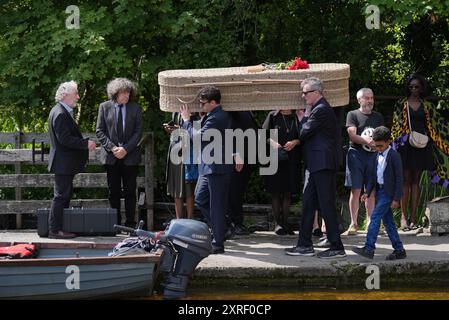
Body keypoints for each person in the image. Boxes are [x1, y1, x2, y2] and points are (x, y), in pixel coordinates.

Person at [285, 77, 346, 258]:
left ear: (317, 92)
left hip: (323, 163)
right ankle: (304, 245)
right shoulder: (318, 109)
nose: (303, 96)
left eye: (306, 92)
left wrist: (301, 117)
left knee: (326, 204)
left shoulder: (321, 110)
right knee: (308, 204)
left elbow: (304, 133)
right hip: (315, 164)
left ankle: (337, 247)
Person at [180, 86, 241, 254]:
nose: (201, 105)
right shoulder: (212, 115)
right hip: (208, 167)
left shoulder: (219, 117)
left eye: (203, 103)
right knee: (200, 199)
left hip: (218, 168)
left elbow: (199, 138)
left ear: (213, 102)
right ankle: (224, 226)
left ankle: (218, 242)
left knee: (217, 206)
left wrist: (186, 121)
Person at [48, 81, 96, 239]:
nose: (78, 97)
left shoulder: (60, 111)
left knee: (63, 195)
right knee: (61, 196)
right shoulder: (60, 113)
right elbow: (65, 139)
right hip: (62, 163)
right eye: (75, 94)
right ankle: (55, 230)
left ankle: (58, 228)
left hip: (64, 163)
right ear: (65, 95)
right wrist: (85, 144)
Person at [352, 126, 406, 260]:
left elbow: (400, 179)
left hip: (389, 193)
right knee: (388, 222)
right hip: (380, 192)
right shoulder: (376, 156)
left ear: (388, 142)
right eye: (376, 146)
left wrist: (396, 198)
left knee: (375, 217)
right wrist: (368, 192)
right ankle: (399, 249)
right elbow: (373, 177)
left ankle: (369, 248)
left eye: (381, 146)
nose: (378, 149)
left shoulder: (394, 156)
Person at [96, 78, 142, 228]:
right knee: (113, 192)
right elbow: (100, 131)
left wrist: (126, 149)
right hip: (111, 157)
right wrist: (113, 148)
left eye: (129, 93)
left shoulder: (135, 108)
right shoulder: (104, 107)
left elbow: (138, 132)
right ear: (115, 93)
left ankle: (130, 224)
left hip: (130, 157)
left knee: (130, 192)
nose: (127, 96)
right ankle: (114, 224)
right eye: (124, 93)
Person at [391, 74, 434, 230]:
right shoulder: (401, 104)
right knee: (405, 180)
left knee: (416, 181)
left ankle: (414, 218)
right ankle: (403, 217)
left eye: (417, 86)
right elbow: (395, 127)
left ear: (422, 88)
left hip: (421, 145)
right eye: (411, 87)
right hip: (405, 145)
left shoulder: (427, 105)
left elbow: (433, 127)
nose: (414, 89)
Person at [344, 88, 384, 235]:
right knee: (355, 190)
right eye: (366, 98)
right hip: (356, 155)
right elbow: (352, 135)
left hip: (373, 157)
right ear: (359, 100)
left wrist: (377, 145)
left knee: (371, 191)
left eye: (371, 98)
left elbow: (382, 135)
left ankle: (370, 223)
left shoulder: (378, 116)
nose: (370, 101)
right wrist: (367, 141)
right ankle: (353, 224)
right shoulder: (352, 114)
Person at [262, 109, 301, 235]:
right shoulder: (272, 116)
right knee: (275, 191)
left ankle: (285, 223)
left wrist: (295, 142)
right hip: (274, 158)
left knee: (288, 192)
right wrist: (273, 142)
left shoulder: (297, 115)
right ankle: (277, 224)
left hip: (292, 158)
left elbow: (304, 136)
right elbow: (263, 135)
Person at [226, 111, 259, 236]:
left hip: (247, 159)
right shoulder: (232, 112)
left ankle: (237, 222)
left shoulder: (247, 112)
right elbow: (227, 132)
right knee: (233, 192)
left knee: (238, 192)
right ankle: (233, 223)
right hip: (237, 159)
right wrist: (235, 153)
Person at [164, 112, 200, 219]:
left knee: (189, 187)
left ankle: (190, 219)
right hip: (175, 150)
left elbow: (197, 136)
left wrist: (180, 131)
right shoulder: (175, 112)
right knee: (176, 186)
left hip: (189, 152)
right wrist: (170, 130)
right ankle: (178, 220)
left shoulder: (197, 113)